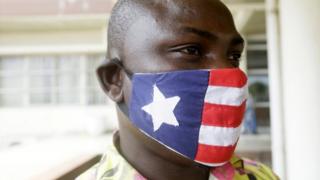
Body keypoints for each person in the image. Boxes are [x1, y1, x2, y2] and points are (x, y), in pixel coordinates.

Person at [77, 0, 279, 179]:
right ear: (114, 80)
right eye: (191, 50)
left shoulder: (262, 176)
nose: (228, 73)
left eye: (234, 56)